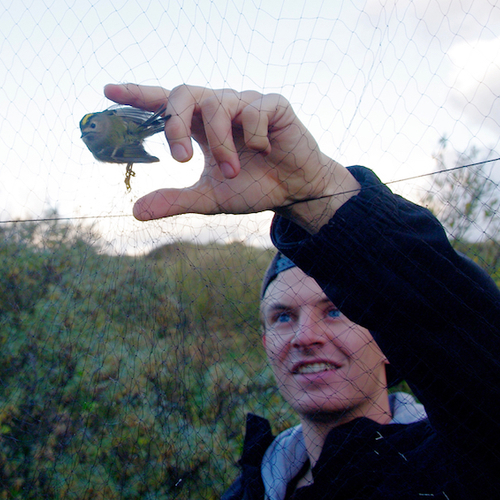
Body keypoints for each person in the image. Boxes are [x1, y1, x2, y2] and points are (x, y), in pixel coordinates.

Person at [104, 83, 500, 498]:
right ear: (264, 342)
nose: (305, 336)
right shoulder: (249, 490)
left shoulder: (463, 460)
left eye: (334, 311)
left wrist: (321, 197)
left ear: (387, 339)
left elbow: (473, 348)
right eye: (282, 317)